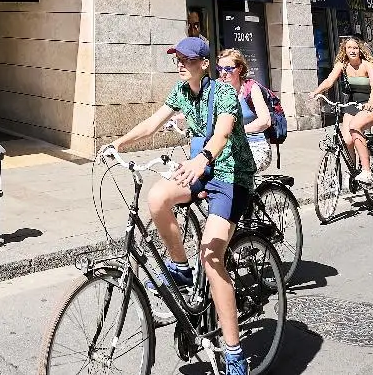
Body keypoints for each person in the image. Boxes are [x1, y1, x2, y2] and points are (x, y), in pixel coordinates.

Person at [103, 36, 258, 375]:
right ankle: (180, 268)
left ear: (204, 64)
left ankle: (234, 353)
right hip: (200, 170)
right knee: (157, 197)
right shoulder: (181, 91)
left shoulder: (224, 92)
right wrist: (117, 144)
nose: (180, 64)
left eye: (187, 59)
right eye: (178, 58)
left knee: (211, 256)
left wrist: (202, 158)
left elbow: (223, 132)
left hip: (231, 176)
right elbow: (152, 124)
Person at [308, 36, 373, 186]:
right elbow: (329, 81)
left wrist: (370, 103)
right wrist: (316, 92)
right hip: (352, 105)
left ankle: (367, 171)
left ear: (360, 50)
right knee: (346, 140)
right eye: (349, 48)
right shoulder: (342, 65)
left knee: (355, 127)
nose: (352, 51)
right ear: (345, 50)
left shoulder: (367, 65)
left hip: (370, 106)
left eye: (355, 48)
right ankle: (353, 172)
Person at [216, 48, 274, 171]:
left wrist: (238, 131)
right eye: (220, 69)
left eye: (228, 69)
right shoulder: (217, 87)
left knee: (235, 171)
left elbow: (265, 121)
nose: (223, 73)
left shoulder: (250, 87)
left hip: (255, 145)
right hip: (227, 146)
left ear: (240, 69)